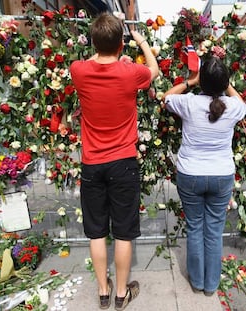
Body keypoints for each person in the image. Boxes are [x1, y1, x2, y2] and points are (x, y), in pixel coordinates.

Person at [70, 12, 159, 311]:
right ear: (121, 43)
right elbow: (154, 71)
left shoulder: (78, 71)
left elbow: (93, 58)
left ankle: (102, 292)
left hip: (92, 163)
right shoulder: (130, 72)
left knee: (96, 231)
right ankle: (121, 294)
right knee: (123, 231)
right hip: (123, 161)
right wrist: (143, 42)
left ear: (93, 41)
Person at [163, 56, 246, 296]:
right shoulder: (233, 107)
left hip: (191, 175)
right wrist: (226, 84)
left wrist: (191, 82)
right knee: (213, 230)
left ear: (202, 82)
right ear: (225, 83)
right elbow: (240, 101)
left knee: (195, 227)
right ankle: (211, 285)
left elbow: (166, 96)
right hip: (221, 175)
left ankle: (197, 281)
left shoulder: (189, 103)